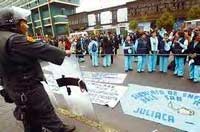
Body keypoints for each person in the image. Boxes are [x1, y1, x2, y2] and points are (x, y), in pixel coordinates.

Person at [0, 7, 76, 132]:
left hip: (13, 87)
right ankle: (59, 129)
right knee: (45, 110)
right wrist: (64, 52)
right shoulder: (14, 39)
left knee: (29, 115)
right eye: (22, 23)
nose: (25, 26)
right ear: (11, 23)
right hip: (28, 87)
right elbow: (40, 48)